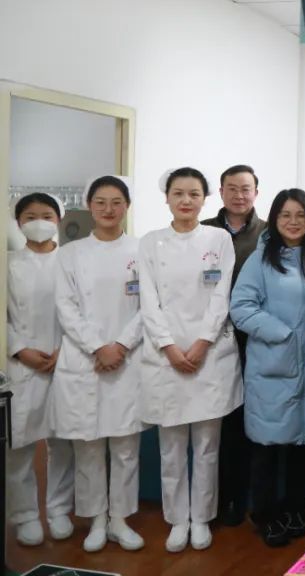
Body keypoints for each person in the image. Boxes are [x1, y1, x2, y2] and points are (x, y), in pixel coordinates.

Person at [139, 167, 243, 553]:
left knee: (207, 446)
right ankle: (176, 520)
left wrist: (201, 343)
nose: (186, 200)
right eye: (178, 193)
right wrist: (169, 346)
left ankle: (200, 518)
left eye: (194, 194)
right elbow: (148, 299)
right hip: (165, 357)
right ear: (166, 197)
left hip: (209, 356)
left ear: (205, 198)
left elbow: (221, 295)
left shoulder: (219, 239)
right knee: (170, 448)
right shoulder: (150, 242)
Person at [230, 188, 305, 548]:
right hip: (273, 367)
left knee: (303, 446)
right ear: (274, 219)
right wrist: (283, 334)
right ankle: (265, 514)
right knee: (268, 449)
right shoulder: (260, 260)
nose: (293, 222)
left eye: (300, 215)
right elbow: (241, 308)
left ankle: (295, 508)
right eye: (285, 215)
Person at [52, 176, 145, 552]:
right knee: (87, 445)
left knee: (125, 446)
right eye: (101, 202)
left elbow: (150, 306)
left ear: (127, 206)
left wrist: (120, 345)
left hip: (127, 358)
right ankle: (95, 519)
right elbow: (65, 307)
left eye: (116, 201)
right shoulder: (70, 254)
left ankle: (120, 519)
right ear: (89, 206)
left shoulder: (141, 251)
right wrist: (97, 347)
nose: (109, 209)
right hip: (84, 360)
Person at [7, 193, 75, 547]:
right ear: (18, 223)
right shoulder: (7, 264)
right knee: (18, 443)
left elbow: (83, 309)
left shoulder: (71, 261)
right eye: (30, 216)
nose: (38, 222)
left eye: (46, 215)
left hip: (67, 360)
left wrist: (65, 349)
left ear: (58, 219)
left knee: (63, 442)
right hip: (21, 364)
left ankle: (59, 509)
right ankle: (25, 515)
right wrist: (20, 349)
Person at [202, 164, 266, 527]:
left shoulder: (269, 234)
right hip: (207, 339)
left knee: (245, 422)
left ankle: (239, 501)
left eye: (246, 188)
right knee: (215, 425)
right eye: (232, 188)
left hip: (251, 338)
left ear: (256, 192)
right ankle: (213, 501)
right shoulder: (204, 231)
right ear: (221, 192)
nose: (239, 195)